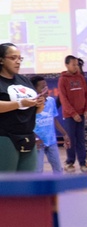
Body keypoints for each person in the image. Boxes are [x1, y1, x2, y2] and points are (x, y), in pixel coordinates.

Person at [0, 42, 44, 172]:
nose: (18, 62)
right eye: (13, 58)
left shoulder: (24, 80)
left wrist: (39, 104)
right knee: (7, 184)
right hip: (5, 137)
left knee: (27, 184)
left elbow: (36, 111)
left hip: (28, 136)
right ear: (1, 60)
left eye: (20, 58)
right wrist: (20, 103)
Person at [58, 55, 87, 173]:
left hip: (82, 114)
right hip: (69, 116)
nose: (76, 67)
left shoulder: (81, 78)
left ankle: (83, 163)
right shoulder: (63, 79)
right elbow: (63, 98)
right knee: (70, 139)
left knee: (81, 139)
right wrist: (72, 113)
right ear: (67, 65)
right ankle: (69, 162)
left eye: (77, 64)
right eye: (73, 65)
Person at [32, 75, 69, 173]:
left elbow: (54, 119)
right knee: (38, 170)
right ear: (35, 89)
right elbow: (27, 124)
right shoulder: (31, 104)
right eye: (42, 87)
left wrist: (64, 134)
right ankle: (37, 188)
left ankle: (58, 187)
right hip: (38, 143)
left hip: (51, 141)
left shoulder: (51, 101)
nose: (46, 89)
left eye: (46, 86)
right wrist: (35, 138)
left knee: (58, 169)